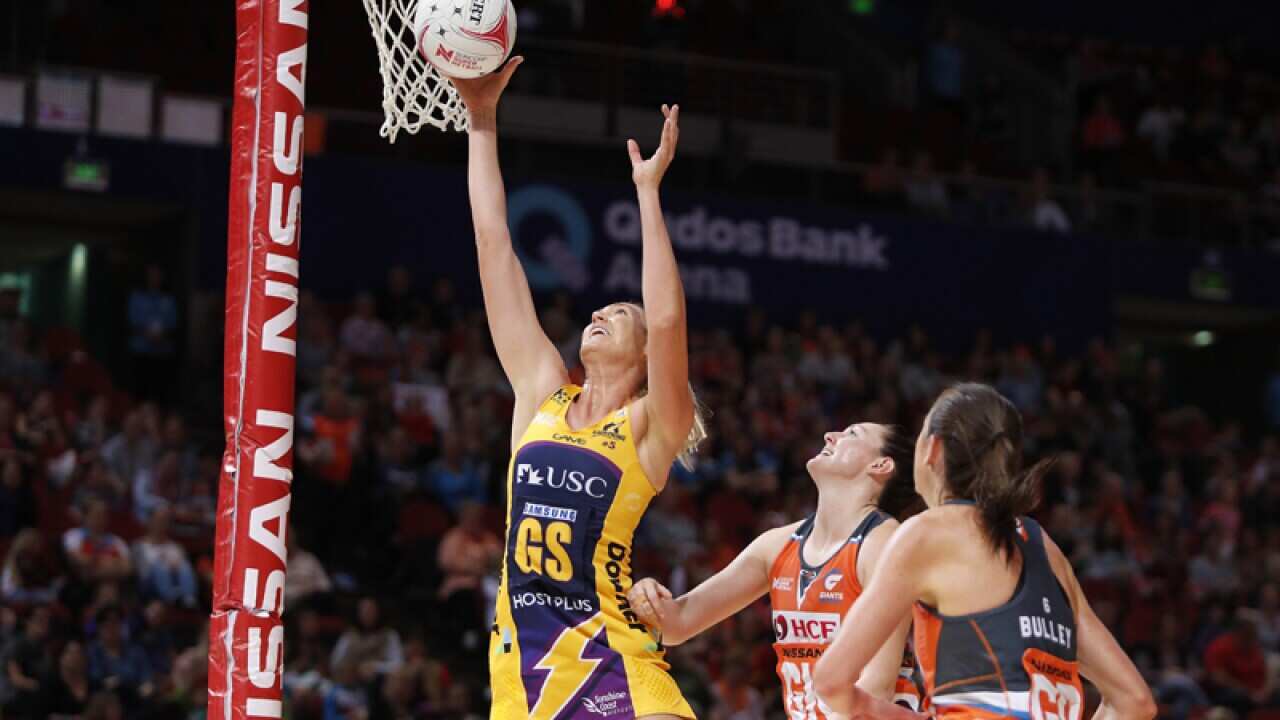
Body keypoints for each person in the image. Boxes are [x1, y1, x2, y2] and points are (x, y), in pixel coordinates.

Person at [453, 57, 705, 719]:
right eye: (599, 311)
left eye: (619, 315)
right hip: (523, 674)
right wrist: (481, 120)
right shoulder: (542, 391)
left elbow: (672, 317)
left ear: (648, 355)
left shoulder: (654, 424)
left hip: (617, 664)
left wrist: (647, 192)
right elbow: (492, 245)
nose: (598, 313)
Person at [811, 383, 1156, 720]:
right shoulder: (1044, 546)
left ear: (933, 449)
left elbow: (831, 681)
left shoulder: (927, 532)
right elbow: (1135, 702)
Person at [628, 422, 923, 719]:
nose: (830, 435)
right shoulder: (775, 545)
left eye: (852, 434)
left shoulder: (884, 544)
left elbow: (877, 687)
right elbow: (677, 625)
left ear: (881, 464)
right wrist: (647, 595)